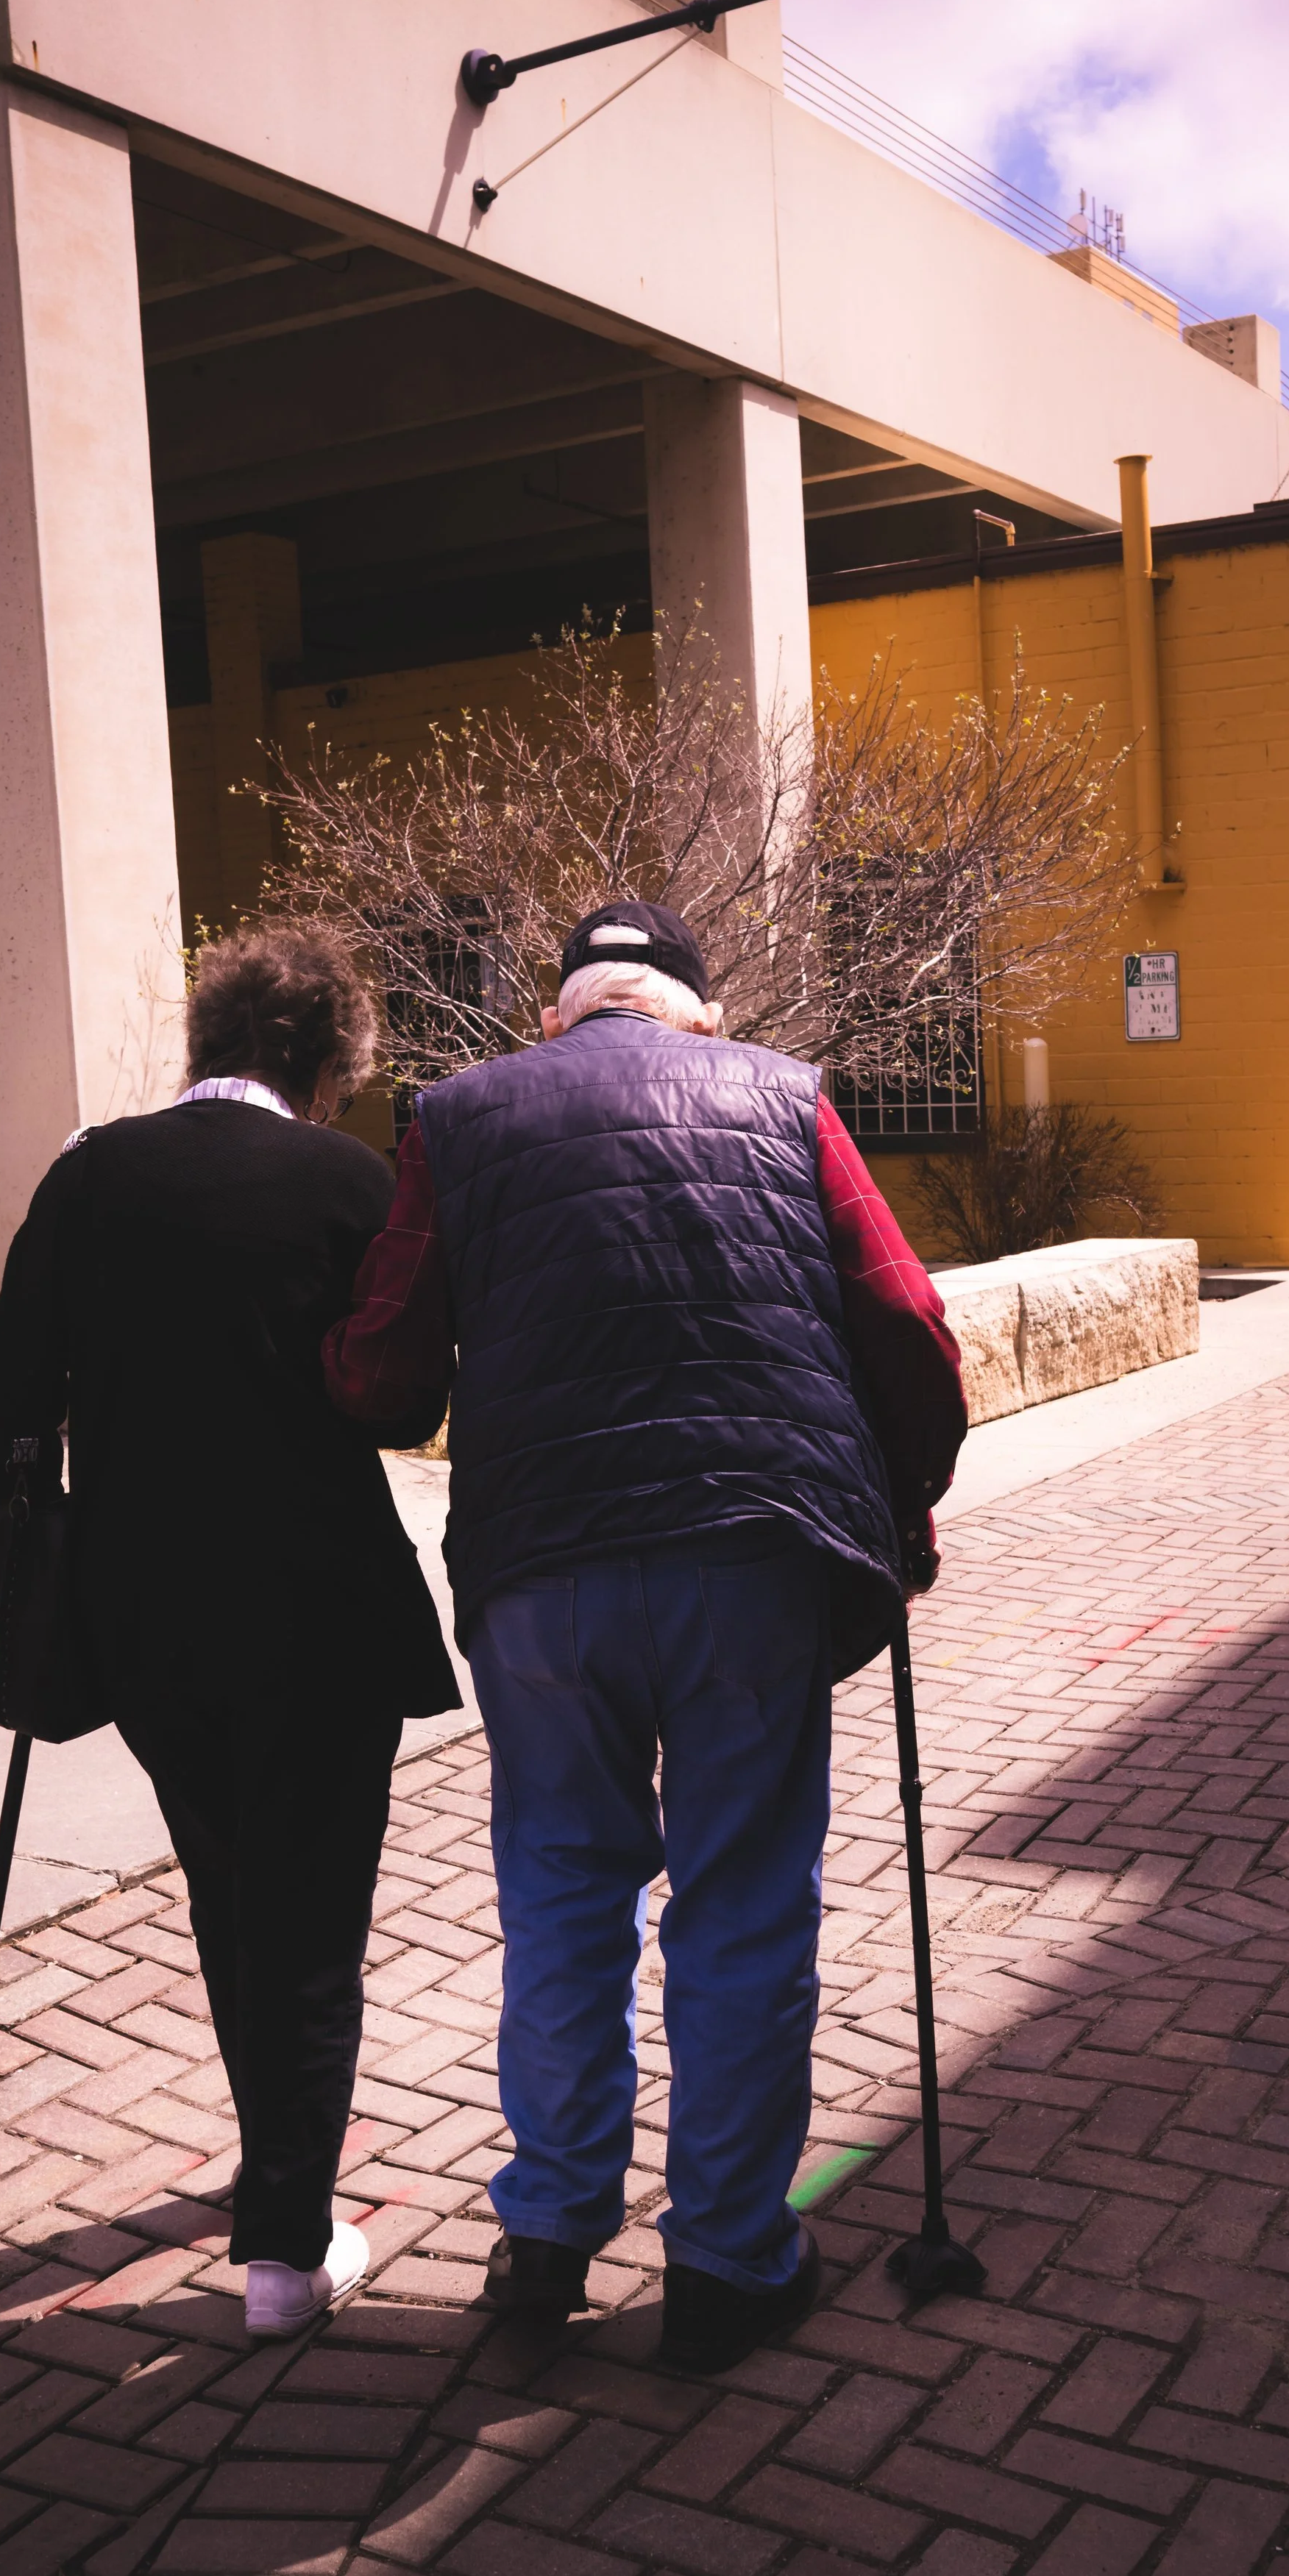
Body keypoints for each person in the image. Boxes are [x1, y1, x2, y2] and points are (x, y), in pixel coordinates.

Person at [325, 900, 967, 2372]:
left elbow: (385, 1375)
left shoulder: (458, 1115)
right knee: (741, 1906)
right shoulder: (783, 1096)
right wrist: (900, 1507)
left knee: (560, 1895)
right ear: (695, 1010)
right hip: (751, 1557)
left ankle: (548, 2235)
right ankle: (728, 2268)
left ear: (557, 1013)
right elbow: (908, 1327)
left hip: (543, 1572)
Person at [0, 925, 459, 2340]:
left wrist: (33, 1579)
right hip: (316, 1607)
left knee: (228, 1885)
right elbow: (399, 1398)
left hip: (141, 1610)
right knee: (308, 1917)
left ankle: (272, 2172)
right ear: (324, 1059)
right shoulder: (348, 1181)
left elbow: (13, 1395)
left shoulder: (87, 1175)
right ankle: (286, 2250)